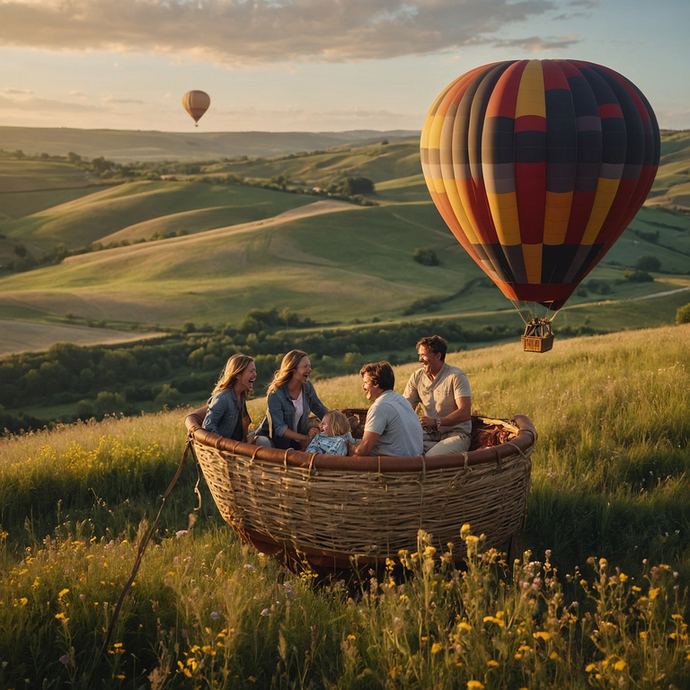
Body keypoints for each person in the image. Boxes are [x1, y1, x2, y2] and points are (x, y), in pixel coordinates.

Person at [404, 335, 472, 456]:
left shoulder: (455, 376)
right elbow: (404, 407)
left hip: (456, 434)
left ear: (438, 356)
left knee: (431, 460)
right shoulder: (417, 377)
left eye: (423, 355)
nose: (420, 359)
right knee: (397, 446)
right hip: (430, 435)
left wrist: (436, 422)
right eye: (419, 355)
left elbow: (465, 412)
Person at [254, 349, 328, 450]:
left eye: (309, 366)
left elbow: (319, 408)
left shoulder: (307, 386)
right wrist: (304, 438)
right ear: (293, 370)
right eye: (305, 366)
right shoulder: (276, 394)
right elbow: (280, 428)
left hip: (296, 443)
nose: (310, 369)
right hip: (275, 443)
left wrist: (336, 421)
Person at [352, 361, 423, 457]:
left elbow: (363, 451)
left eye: (365, 383)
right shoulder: (401, 399)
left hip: (394, 463)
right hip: (414, 458)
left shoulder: (379, 407)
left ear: (376, 383)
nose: (363, 387)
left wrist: (347, 446)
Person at [202, 354, 256, 442]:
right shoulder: (222, 398)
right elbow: (208, 428)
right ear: (238, 375)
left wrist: (246, 439)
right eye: (251, 371)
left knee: (263, 439)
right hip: (225, 450)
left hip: (238, 445)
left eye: (255, 371)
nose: (255, 374)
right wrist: (225, 445)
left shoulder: (241, 396)